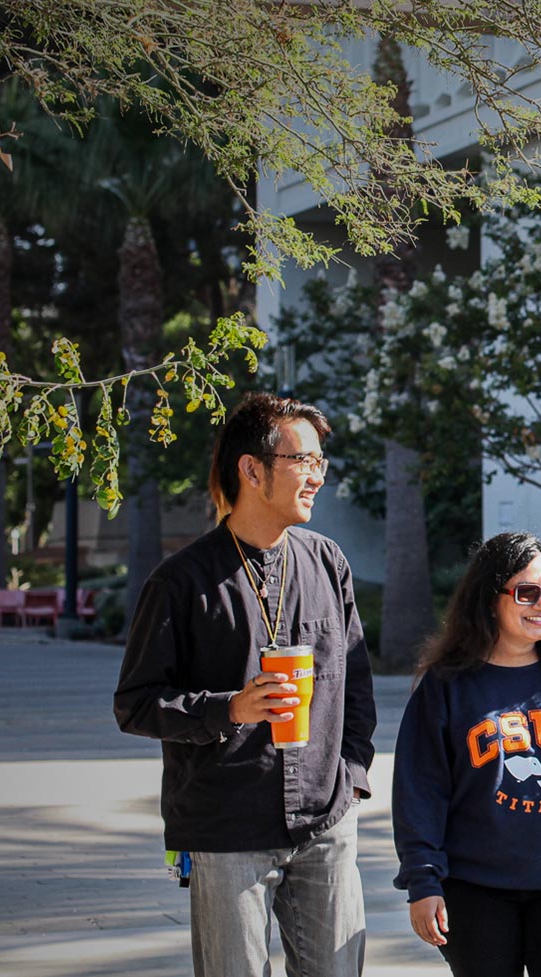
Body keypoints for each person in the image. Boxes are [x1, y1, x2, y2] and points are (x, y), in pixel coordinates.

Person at [114, 392, 376, 977]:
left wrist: (351, 780)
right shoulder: (180, 582)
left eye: (320, 463)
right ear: (252, 469)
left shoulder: (327, 562)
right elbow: (135, 705)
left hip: (325, 819)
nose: (317, 476)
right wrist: (230, 708)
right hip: (226, 824)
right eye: (302, 461)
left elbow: (355, 683)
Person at [391, 532, 541, 977]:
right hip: (475, 889)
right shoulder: (448, 685)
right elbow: (418, 791)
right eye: (527, 592)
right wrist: (422, 881)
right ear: (489, 598)